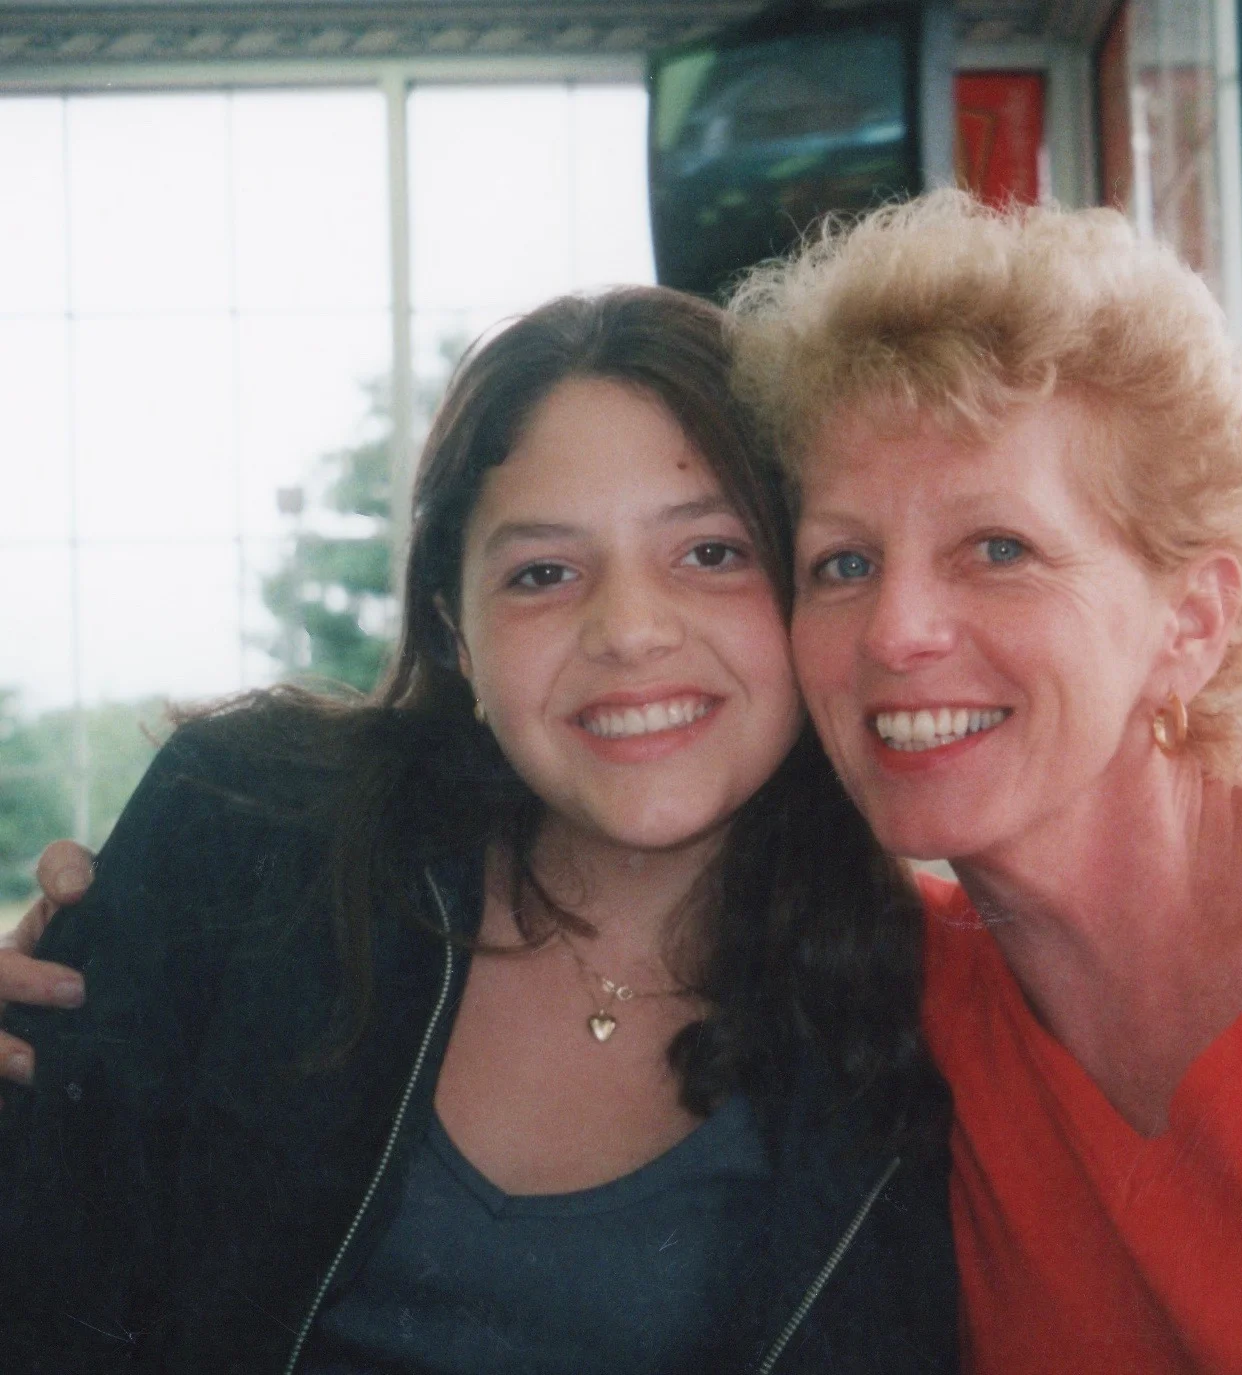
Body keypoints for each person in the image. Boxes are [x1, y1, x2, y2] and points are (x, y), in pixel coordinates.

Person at [0, 287, 957, 1374]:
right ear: (455, 632)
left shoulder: (929, 1002)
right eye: (543, 573)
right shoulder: (246, 833)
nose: (629, 630)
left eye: (710, 552)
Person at [728, 189, 1242, 1372]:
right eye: (844, 563)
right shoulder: (890, 996)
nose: (895, 630)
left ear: (1190, 623)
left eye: (998, 549)